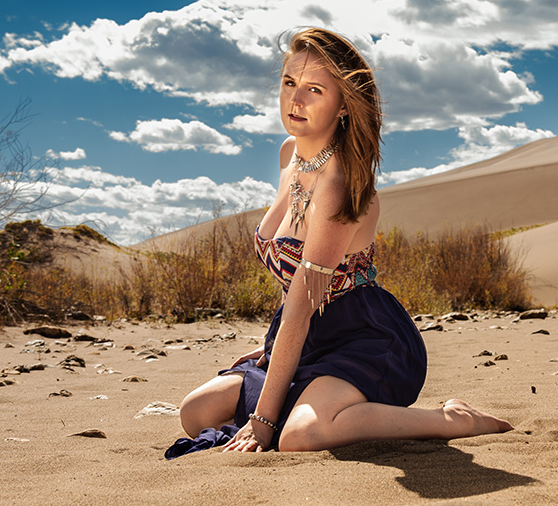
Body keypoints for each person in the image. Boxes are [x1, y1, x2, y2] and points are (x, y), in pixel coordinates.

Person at [173, 27, 513, 455]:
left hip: (366, 338)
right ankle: (308, 400)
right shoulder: (288, 155)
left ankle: (450, 419)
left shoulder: (339, 187)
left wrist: (261, 422)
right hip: (305, 335)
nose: (295, 101)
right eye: (289, 83)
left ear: (344, 105)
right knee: (196, 412)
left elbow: (301, 302)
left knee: (300, 436)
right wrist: (270, 346)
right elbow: (292, 298)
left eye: (314, 89)